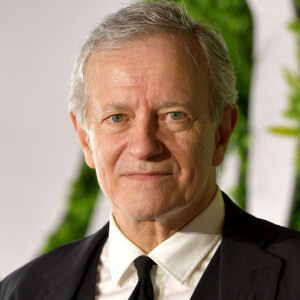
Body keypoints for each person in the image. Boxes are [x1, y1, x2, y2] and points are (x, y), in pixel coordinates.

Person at [1, 1, 300, 299]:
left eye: (174, 115)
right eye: (117, 118)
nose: (144, 146)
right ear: (85, 140)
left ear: (221, 133)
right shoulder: (22, 292)